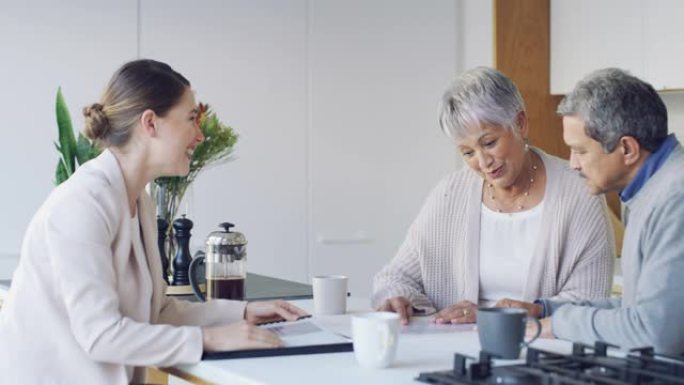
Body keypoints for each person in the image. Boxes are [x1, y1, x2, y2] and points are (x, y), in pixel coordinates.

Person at [0, 59, 307, 384]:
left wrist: (241, 314)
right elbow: (101, 336)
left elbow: (157, 312)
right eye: (191, 119)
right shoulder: (82, 204)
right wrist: (210, 340)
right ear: (150, 123)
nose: (200, 135)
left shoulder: (138, 202)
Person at [372, 67, 614, 325]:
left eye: (489, 143)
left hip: (540, 349)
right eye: (467, 153)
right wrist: (396, 298)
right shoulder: (449, 194)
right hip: (452, 350)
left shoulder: (579, 192)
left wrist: (497, 317)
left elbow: (590, 299)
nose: (483, 162)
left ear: (520, 124)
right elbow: (394, 277)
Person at [534, 68, 684, 355]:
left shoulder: (676, 199)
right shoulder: (648, 191)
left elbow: (655, 332)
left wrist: (560, 323)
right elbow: (636, 309)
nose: (573, 164)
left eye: (580, 151)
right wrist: (545, 309)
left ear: (627, 149)